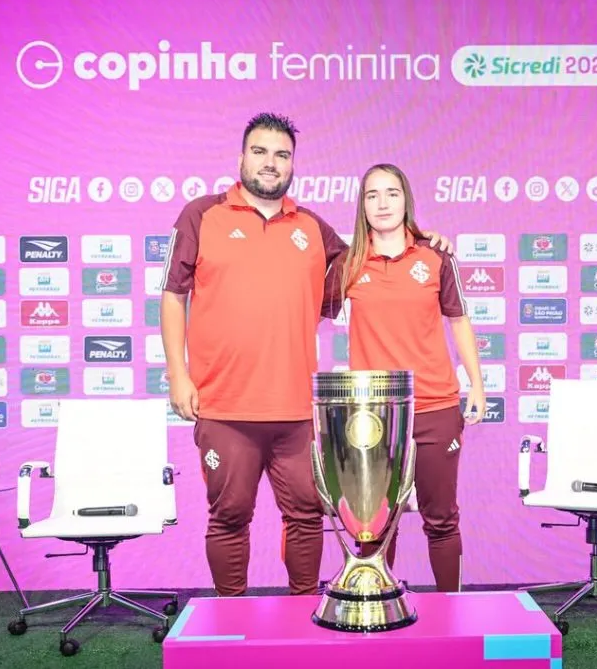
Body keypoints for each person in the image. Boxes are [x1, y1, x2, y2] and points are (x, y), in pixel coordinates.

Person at [160, 114, 454, 597]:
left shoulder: (314, 229)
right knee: (229, 516)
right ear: (241, 158)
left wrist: (424, 241)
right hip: (225, 405)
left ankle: (302, 617)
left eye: (281, 154)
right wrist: (178, 374)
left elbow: (373, 251)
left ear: (293, 163)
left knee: (306, 517)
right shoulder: (201, 215)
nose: (270, 163)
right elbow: (174, 295)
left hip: (298, 410)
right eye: (260, 152)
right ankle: (231, 618)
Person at [321, 162, 485, 593]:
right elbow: (305, 312)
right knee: (374, 523)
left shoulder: (436, 255)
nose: (382, 203)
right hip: (373, 415)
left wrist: (478, 385)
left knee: (441, 517)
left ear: (406, 199)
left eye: (391, 193)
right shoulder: (349, 262)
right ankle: (376, 607)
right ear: (362, 206)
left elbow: (459, 321)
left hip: (435, 406)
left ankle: (452, 608)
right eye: (372, 195)